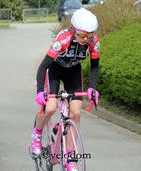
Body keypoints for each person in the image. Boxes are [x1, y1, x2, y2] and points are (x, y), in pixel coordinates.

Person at [31, 8, 100, 171]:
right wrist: (40, 91)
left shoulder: (93, 42)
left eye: (89, 35)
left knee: (76, 113)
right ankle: (37, 133)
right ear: (74, 30)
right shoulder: (63, 39)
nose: (86, 39)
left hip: (73, 72)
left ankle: (69, 158)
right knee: (51, 108)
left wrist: (92, 88)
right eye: (83, 35)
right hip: (54, 70)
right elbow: (43, 66)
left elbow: (94, 68)